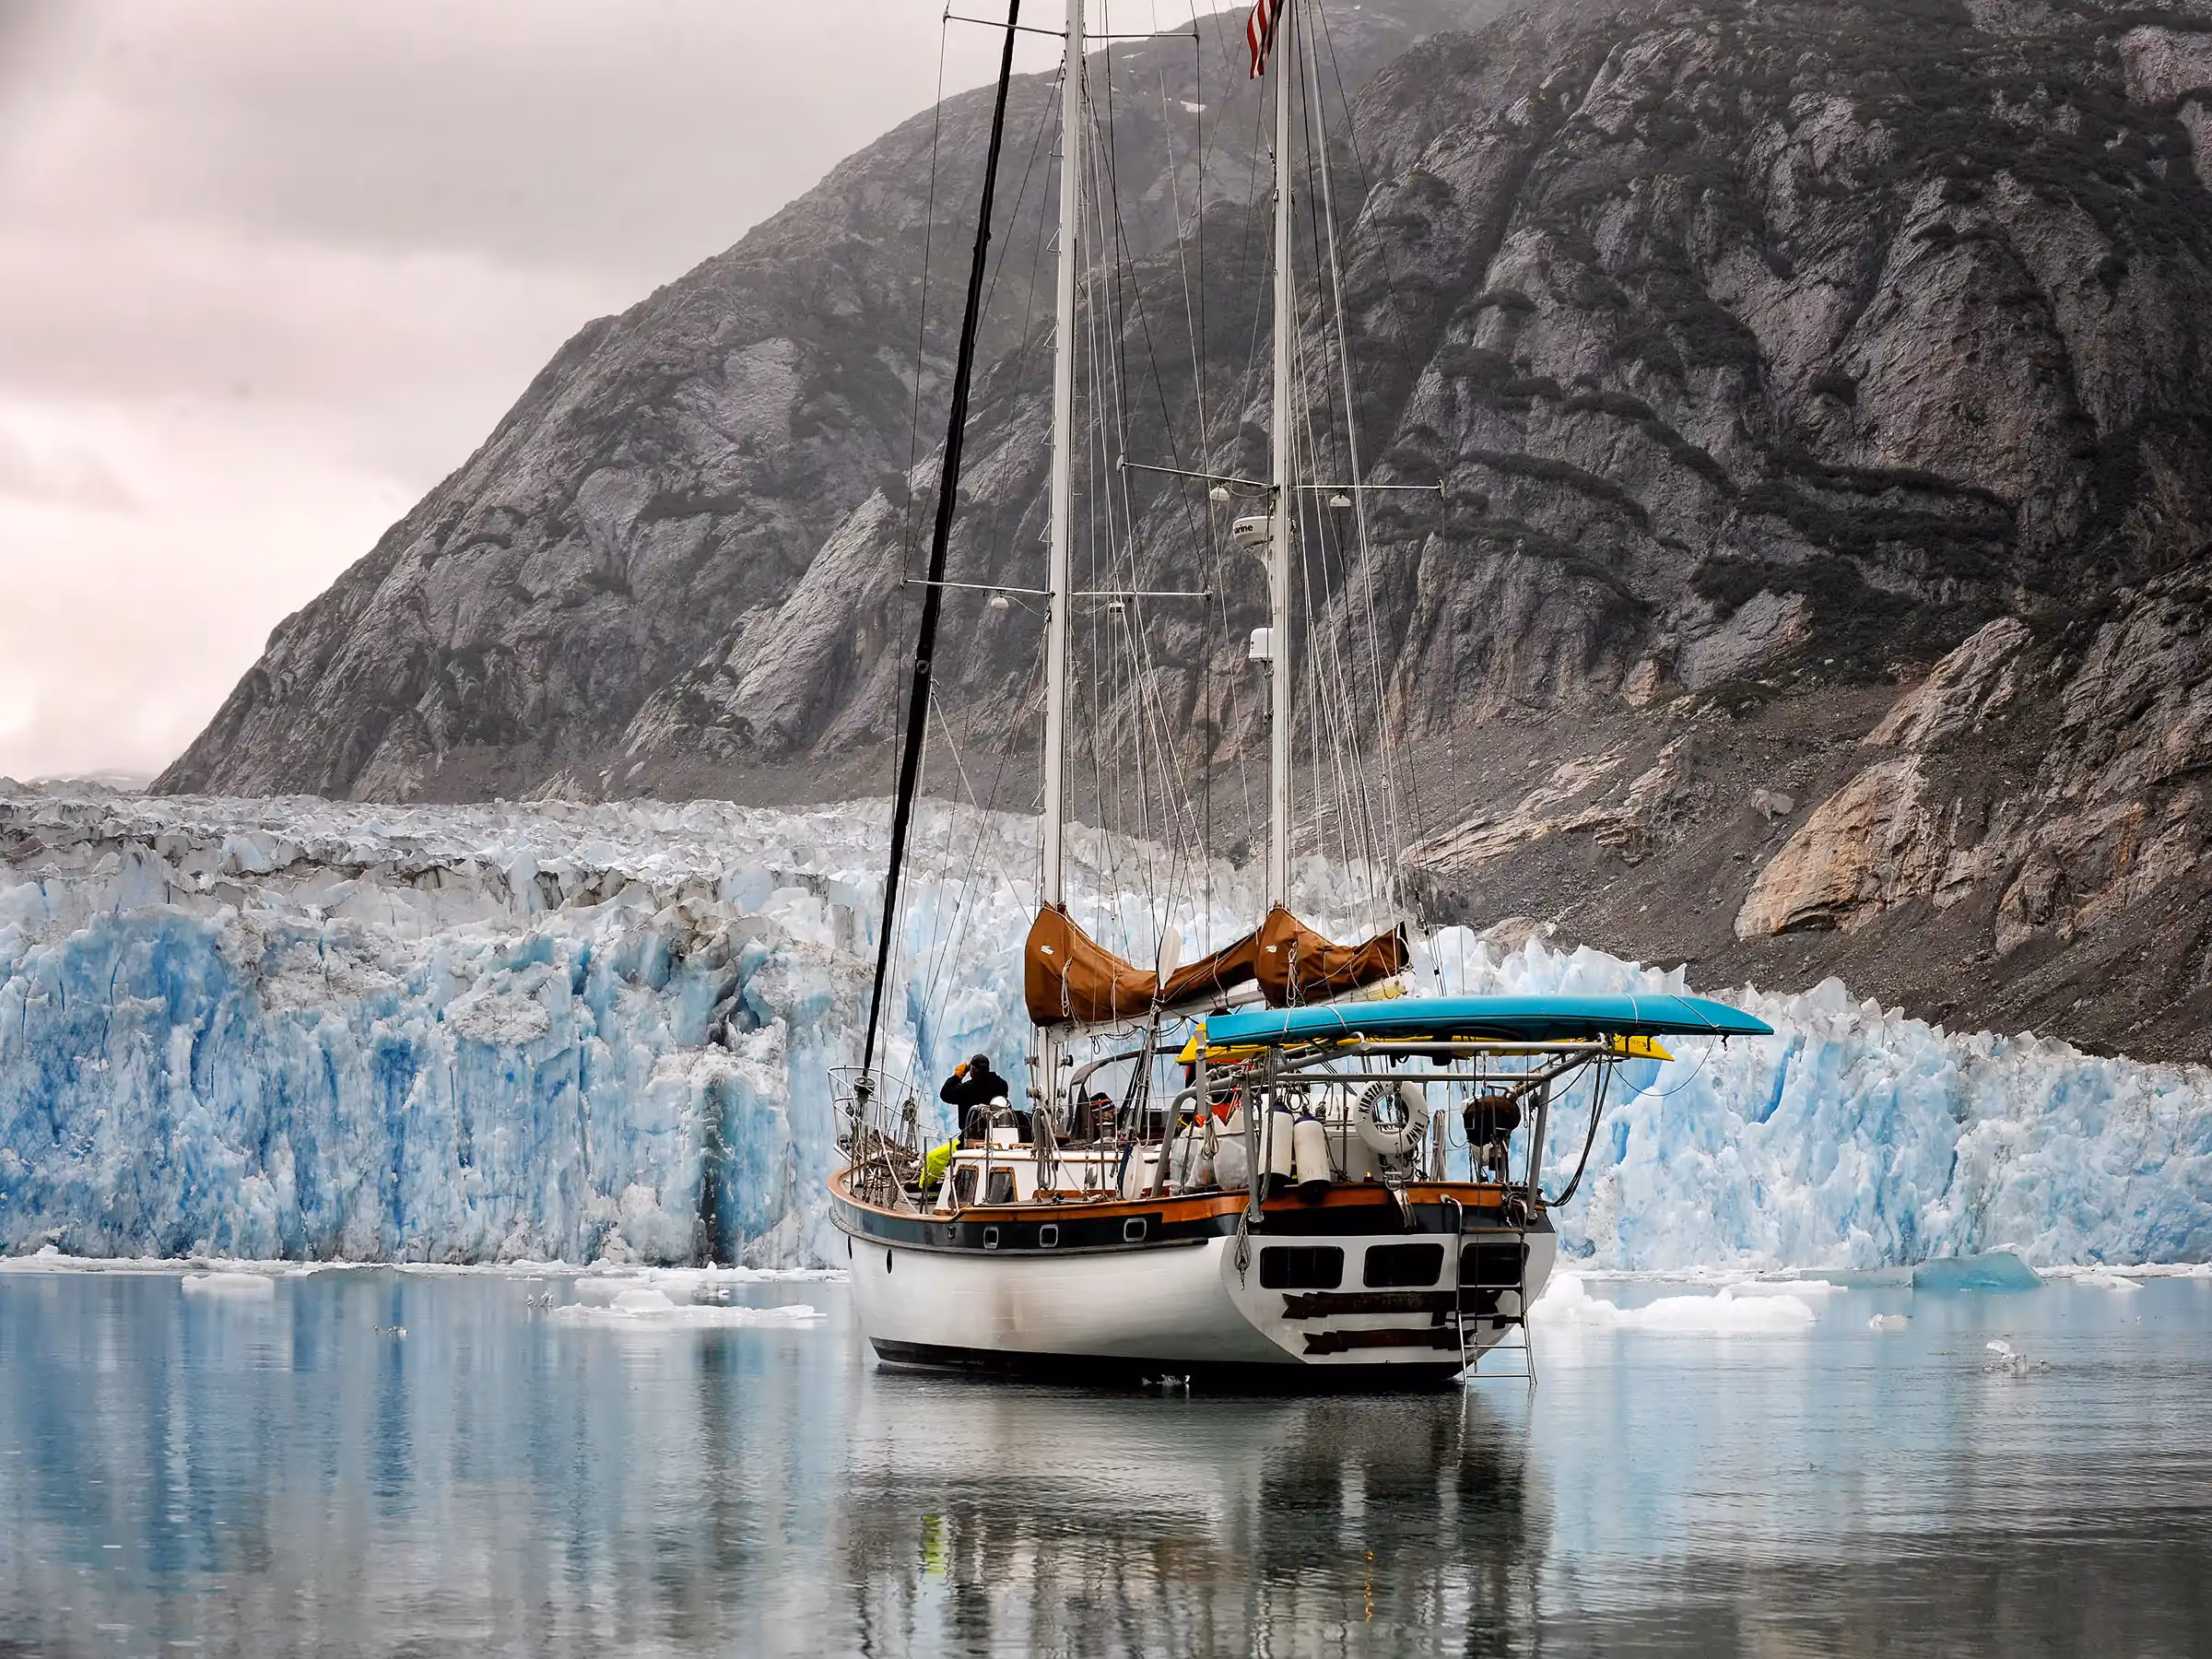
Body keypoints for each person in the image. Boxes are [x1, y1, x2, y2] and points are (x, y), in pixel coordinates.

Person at [940, 1053, 1027, 1142]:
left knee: (935, 1156)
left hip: (972, 1139)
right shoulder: (1002, 1085)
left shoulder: (967, 1089)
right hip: (996, 1137)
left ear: (972, 1070)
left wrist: (957, 1076)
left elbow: (945, 1094)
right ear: (988, 1069)